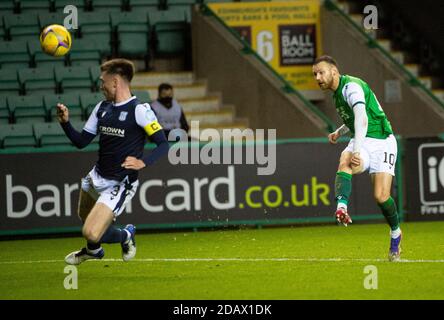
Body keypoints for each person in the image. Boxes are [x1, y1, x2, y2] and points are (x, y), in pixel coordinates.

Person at [57, 58, 169, 265]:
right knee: (87, 220)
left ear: (116, 82)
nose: (101, 86)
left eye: (103, 82)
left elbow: (163, 144)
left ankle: (126, 235)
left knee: (90, 232)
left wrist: (143, 162)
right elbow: (81, 141)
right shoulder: (101, 108)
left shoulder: (140, 110)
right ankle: (95, 250)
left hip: (119, 183)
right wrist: (65, 123)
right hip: (95, 176)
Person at [312, 55, 402, 262]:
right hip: (361, 138)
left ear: (334, 72)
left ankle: (396, 232)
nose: (317, 77)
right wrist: (339, 132)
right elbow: (354, 119)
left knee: (381, 197)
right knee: (344, 160)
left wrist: (358, 150)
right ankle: (341, 208)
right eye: (315, 74)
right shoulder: (336, 93)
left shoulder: (351, 86)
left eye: (321, 72)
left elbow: (362, 118)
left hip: (381, 140)